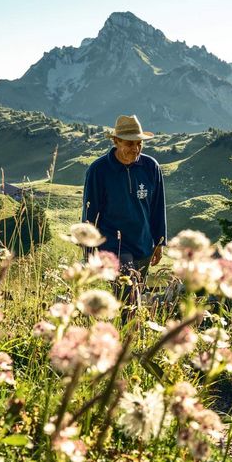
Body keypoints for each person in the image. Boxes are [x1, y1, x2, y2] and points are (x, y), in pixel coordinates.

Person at [81, 114, 166, 313]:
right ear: (116, 141)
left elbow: (157, 206)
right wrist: (88, 251)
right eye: (129, 143)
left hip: (143, 244)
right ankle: (131, 340)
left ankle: (124, 335)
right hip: (114, 245)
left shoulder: (151, 167)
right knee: (129, 297)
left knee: (134, 295)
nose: (135, 149)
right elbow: (90, 211)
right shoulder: (99, 170)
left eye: (139, 144)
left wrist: (160, 242)